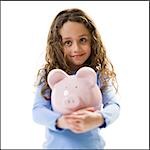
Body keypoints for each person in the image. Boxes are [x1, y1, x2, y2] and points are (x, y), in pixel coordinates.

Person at [32, 8, 120, 149]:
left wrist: (98, 118)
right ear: (57, 45)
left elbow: (114, 106)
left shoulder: (98, 75)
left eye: (82, 40)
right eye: (68, 42)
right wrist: (61, 121)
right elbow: (37, 111)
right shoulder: (49, 75)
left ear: (93, 41)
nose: (76, 48)